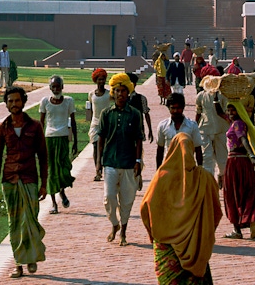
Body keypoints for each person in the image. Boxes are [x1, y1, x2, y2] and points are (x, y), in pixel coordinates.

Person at [140, 133, 221, 285]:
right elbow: (216, 212)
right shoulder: (205, 179)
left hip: (166, 248)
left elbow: (146, 209)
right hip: (194, 250)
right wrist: (200, 234)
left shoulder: (162, 177)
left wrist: (155, 234)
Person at [0, 85, 47, 277]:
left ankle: (30, 257)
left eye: (17, 100)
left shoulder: (35, 126)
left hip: (30, 178)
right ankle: (18, 263)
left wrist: (44, 184)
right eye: (10, 101)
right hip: (10, 180)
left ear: (23, 101)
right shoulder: (2, 128)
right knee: (14, 222)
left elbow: (43, 156)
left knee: (29, 221)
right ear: (6, 104)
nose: (14, 104)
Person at [95, 73, 144, 245]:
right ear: (113, 93)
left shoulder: (135, 114)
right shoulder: (106, 114)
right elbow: (100, 138)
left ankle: (123, 231)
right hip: (110, 162)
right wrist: (98, 163)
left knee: (127, 199)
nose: (121, 94)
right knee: (109, 198)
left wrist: (138, 162)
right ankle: (114, 224)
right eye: (117, 91)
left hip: (129, 163)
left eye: (124, 91)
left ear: (128, 92)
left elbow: (139, 139)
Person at [222, 104, 255, 239]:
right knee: (247, 191)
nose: (230, 112)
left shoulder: (238, 124)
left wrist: (252, 155)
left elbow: (243, 139)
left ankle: (237, 230)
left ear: (239, 110)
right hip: (243, 162)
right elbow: (219, 113)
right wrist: (215, 97)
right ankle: (251, 220)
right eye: (229, 110)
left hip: (235, 161)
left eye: (233, 109)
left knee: (232, 194)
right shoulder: (235, 122)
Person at [39, 75, 78, 212]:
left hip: (63, 138)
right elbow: (41, 123)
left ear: (62, 87)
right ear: (50, 88)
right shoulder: (45, 102)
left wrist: (75, 142)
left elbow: (73, 122)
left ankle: (62, 191)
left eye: (58, 86)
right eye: (53, 87)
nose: (56, 89)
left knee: (64, 170)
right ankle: (54, 203)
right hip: (49, 138)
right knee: (51, 171)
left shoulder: (68, 101)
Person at [195, 66, 230, 182]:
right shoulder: (201, 96)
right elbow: (198, 113)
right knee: (208, 157)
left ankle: (220, 176)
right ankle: (211, 181)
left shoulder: (222, 95)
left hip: (218, 129)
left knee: (220, 157)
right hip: (206, 129)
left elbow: (225, 111)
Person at [155, 91, 203, 166]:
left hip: (187, 167)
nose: (175, 111)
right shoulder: (162, 126)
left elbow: (198, 149)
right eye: (173, 108)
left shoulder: (192, 126)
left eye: (178, 108)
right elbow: (160, 149)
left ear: (183, 107)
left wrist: (200, 169)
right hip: (169, 167)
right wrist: (158, 171)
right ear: (168, 108)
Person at [86, 68, 112, 181]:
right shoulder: (91, 94)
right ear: (96, 80)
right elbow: (92, 109)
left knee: (106, 148)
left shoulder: (109, 94)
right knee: (96, 147)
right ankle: (97, 170)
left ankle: (105, 169)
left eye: (103, 79)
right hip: (95, 124)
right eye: (99, 79)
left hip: (107, 124)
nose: (101, 82)